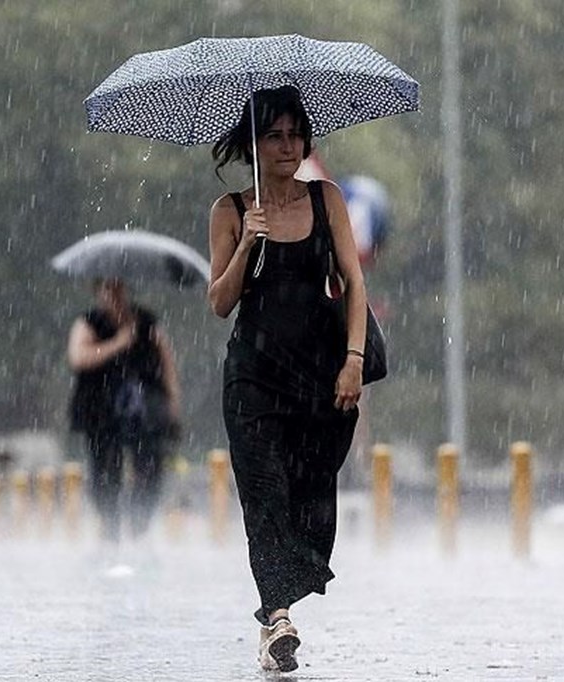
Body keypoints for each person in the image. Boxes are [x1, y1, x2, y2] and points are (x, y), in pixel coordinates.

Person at [206, 85, 368, 673]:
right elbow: (219, 301)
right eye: (274, 135)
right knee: (264, 493)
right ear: (253, 143)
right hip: (251, 379)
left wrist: (353, 359)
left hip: (318, 377)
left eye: (295, 134)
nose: (287, 145)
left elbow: (353, 281)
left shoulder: (326, 200)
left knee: (309, 494)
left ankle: (280, 595)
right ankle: (277, 619)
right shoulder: (229, 211)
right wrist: (248, 241)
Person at [67, 277, 181, 544]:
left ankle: (139, 527)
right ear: (98, 292)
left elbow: (167, 364)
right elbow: (78, 357)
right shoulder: (88, 322)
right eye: (108, 288)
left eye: (119, 287)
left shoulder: (146, 322)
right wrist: (117, 343)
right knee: (104, 471)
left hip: (144, 412)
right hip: (101, 412)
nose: (115, 294)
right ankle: (110, 528)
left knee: (150, 468)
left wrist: (173, 404)